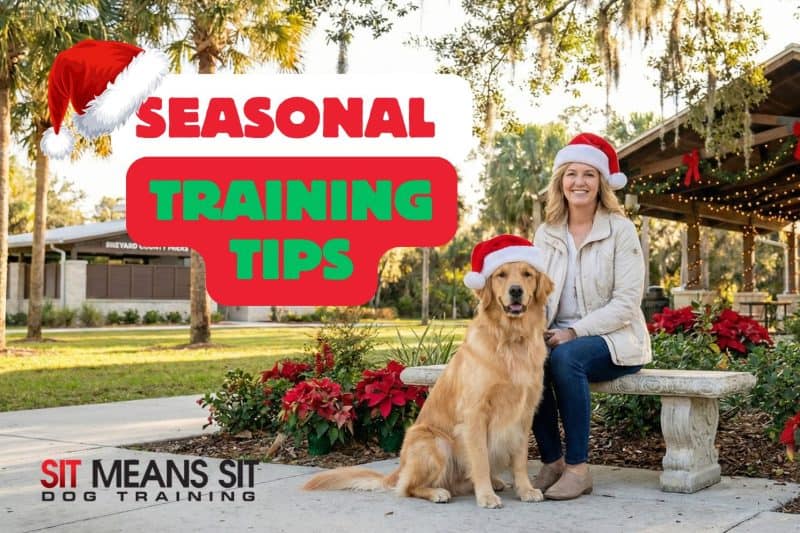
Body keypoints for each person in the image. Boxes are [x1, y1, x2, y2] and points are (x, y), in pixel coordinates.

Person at [531, 132, 652, 500]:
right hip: (556, 335)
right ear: (560, 182)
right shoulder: (546, 232)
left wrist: (575, 332)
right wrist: (533, 330)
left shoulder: (620, 230)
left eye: (588, 174)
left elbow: (627, 302)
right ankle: (552, 460)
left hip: (615, 339)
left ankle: (578, 468)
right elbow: (535, 293)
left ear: (601, 183)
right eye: (571, 174)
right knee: (528, 358)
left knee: (567, 357)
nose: (579, 182)